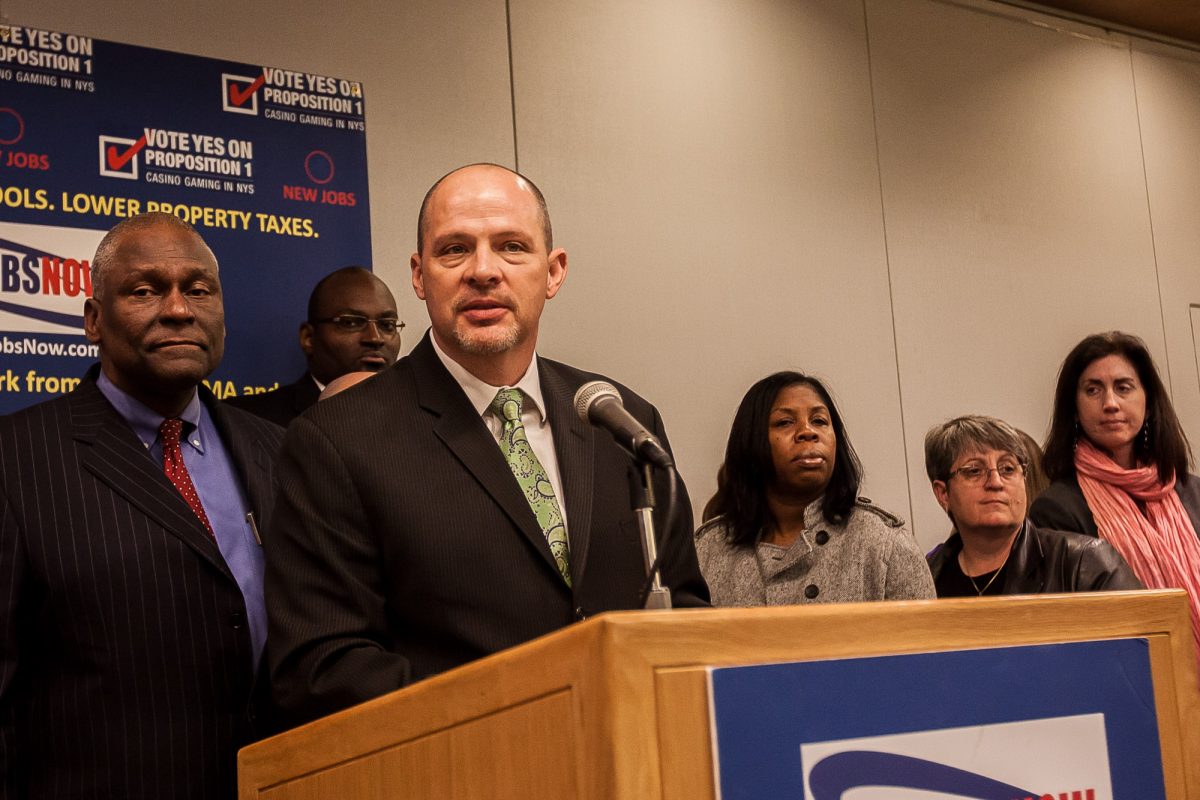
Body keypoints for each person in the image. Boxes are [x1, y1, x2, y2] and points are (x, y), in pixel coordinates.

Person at [265, 163, 709, 724]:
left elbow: (686, 609)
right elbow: (323, 668)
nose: (483, 271)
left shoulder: (619, 419)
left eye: (511, 247)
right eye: (454, 250)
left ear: (554, 272)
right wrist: (529, 708)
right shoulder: (338, 441)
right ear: (419, 275)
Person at [0, 213, 284, 798]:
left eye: (198, 288)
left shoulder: (278, 450)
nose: (179, 309)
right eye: (145, 290)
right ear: (93, 321)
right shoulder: (15, 460)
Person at [695, 371, 934, 605]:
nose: (807, 432)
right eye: (785, 422)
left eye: (819, 421)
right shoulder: (708, 551)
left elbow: (929, 642)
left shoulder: (883, 543)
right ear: (750, 439)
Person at [1029, 331, 1200, 645]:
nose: (1110, 403)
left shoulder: (1194, 493)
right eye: (1093, 390)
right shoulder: (1056, 510)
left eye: (1124, 388)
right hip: (1129, 679)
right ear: (1075, 409)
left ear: (1148, 404)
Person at [926, 415, 1141, 597]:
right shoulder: (927, 577)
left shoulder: (1085, 563)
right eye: (974, 471)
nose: (995, 482)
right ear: (943, 493)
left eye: (1008, 469)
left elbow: (1140, 643)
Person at [226, 266, 403, 427]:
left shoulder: (416, 419)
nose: (375, 338)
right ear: (308, 338)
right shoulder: (246, 420)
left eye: (387, 325)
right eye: (350, 323)